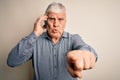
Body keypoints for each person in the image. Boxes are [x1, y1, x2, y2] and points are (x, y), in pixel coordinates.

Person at [7, 2, 98, 80]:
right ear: (45, 21)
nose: (56, 24)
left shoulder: (74, 39)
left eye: (60, 19)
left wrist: (86, 53)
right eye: (51, 19)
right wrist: (34, 34)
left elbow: (86, 49)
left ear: (65, 22)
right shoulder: (35, 41)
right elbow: (12, 61)